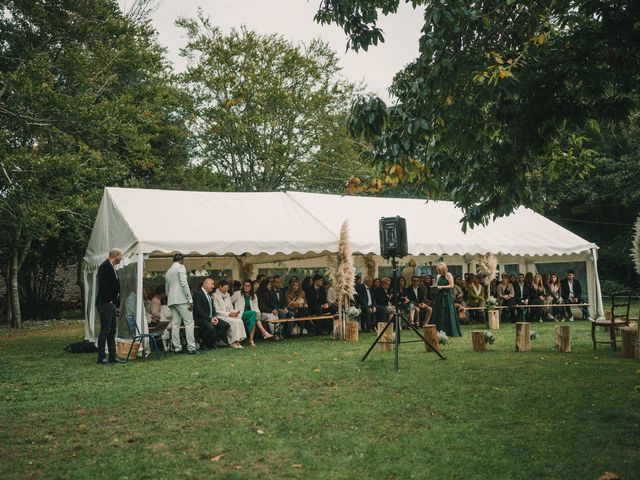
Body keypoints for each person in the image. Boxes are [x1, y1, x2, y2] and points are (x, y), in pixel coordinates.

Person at [165, 253, 199, 355]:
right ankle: (191, 348)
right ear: (182, 260)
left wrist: (170, 298)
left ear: (173, 260)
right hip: (182, 299)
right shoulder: (181, 267)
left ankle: (177, 348)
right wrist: (190, 300)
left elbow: (167, 289)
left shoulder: (168, 271)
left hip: (172, 300)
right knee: (189, 322)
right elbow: (184, 283)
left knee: (175, 324)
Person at [95, 248, 125, 365]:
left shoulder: (112, 267)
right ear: (115, 255)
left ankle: (113, 356)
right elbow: (103, 286)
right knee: (105, 330)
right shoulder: (104, 267)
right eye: (120, 256)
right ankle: (101, 357)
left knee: (112, 330)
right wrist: (110, 300)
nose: (121, 258)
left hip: (111, 304)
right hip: (105, 303)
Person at [193, 278, 230, 350]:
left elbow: (212, 308)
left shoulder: (209, 294)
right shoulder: (197, 294)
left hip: (210, 318)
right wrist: (210, 319)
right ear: (206, 283)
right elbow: (198, 310)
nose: (213, 286)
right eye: (212, 284)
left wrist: (214, 317)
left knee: (225, 325)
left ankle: (212, 342)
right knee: (211, 328)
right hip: (201, 319)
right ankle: (203, 344)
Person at [235, 279, 274, 346]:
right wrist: (232, 311)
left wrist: (258, 313)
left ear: (251, 287)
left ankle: (251, 340)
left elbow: (256, 308)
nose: (246, 287)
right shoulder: (238, 294)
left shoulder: (254, 296)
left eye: (248, 286)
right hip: (241, 314)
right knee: (254, 314)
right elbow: (229, 302)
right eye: (245, 285)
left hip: (251, 315)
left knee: (253, 319)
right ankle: (264, 332)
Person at [212, 279, 246, 349]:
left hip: (228, 314)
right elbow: (217, 310)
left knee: (239, 320)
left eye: (227, 288)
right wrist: (228, 314)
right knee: (234, 322)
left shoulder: (227, 294)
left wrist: (234, 312)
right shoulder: (215, 295)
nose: (226, 290)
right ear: (220, 287)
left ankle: (237, 341)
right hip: (220, 316)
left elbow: (230, 307)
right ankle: (232, 342)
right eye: (225, 288)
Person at [433, 262, 462, 337]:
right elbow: (438, 285)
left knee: (448, 312)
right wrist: (436, 287)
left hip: (447, 296)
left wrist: (442, 287)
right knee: (440, 313)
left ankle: (449, 331)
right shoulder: (438, 276)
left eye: (440, 271)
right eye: (438, 271)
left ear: (443, 270)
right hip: (440, 296)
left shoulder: (448, 275)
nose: (438, 272)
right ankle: (440, 330)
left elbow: (451, 285)